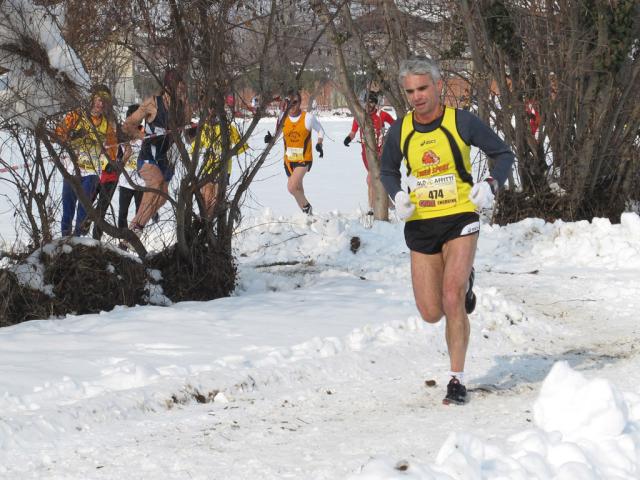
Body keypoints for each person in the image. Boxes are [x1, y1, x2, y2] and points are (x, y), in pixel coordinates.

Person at [380, 57, 515, 405]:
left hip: (460, 217)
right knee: (430, 311)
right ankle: (467, 280)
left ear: (438, 86)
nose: (417, 96)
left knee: (452, 297)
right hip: (422, 222)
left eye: (423, 88)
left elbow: (503, 155)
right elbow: (387, 170)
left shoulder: (461, 121)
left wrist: (490, 184)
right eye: (410, 91)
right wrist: (397, 196)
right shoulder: (401, 129)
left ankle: (457, 379)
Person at [122, 68, 190, 238]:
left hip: (167, 158)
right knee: (155, 183)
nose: (180, 91)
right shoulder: (153, 102)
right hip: (148, 156)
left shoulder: (182, 105)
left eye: (182, 88)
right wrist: (142, 134)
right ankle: (135, 228)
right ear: (168, 86)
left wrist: (186, 105)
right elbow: (128, 124)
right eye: (177, 87)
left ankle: (137, 226)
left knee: (163, 196)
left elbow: (188, 132)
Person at [56, 85, 117, 236]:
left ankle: (78, 241)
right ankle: (65, 239)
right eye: (98, 100)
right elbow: (58, 134)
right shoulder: (76, 115)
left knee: (83, 211)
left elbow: (113, 150)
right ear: (92, 99)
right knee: (68, 209)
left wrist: (107, 163)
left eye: (105, 101)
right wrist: (72, 135)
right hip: (71, 170)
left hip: (91, 173)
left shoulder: (107, 124)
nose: (101, 104)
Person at [263, 90, 325, 215]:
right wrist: (270, 139)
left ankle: (307, 207)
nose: (292, 105)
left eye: (295, 102)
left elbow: (320, 130)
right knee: (297, 189)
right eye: (289, 102)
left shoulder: (308, 118)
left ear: (300, 102)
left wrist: (319, 143)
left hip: (304, 159)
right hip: (288, 160)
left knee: (291, 187)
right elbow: (277, 134)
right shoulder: (283, 117)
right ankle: (308, 216)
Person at [189, 108, 247, 219]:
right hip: (208, 169)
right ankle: (205, 224)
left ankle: (211, 222)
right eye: (208, 113)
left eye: (213, 113)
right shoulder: (204, 129)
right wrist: (190, 153)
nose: (210, 116)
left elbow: (242, 146)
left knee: (215, 201)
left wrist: (229, 153)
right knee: (206, 201)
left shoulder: (228, 128)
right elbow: (195, 146)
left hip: (223, 169)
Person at [344, 91, 394, 218]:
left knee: (370, 180)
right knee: (376, 181)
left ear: (374, 103)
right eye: (365, 102)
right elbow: (353, 132)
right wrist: (348, 139)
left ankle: (372, 209)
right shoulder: (360, 116)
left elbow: (396, 126)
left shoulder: (382, 115)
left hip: (381, 154)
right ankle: (390, 206)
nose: (367, 105)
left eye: (370, 102)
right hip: (366, 155)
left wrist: (390, 138)